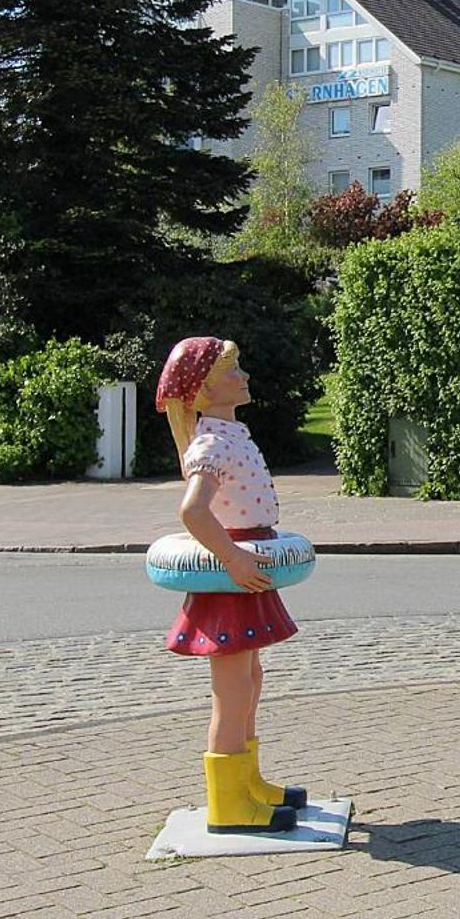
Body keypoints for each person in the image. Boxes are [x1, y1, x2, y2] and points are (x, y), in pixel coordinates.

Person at [156, 336, 304, 835]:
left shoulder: (230, 434)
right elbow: (194, 511)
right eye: (231, 370)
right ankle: (229, 802)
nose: (243, 377)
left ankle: (249, 781)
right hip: (230, 575)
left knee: (251, 678)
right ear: (203, 389)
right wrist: (233, 557)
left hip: (247, 564)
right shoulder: (212, 444)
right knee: (233, 687)